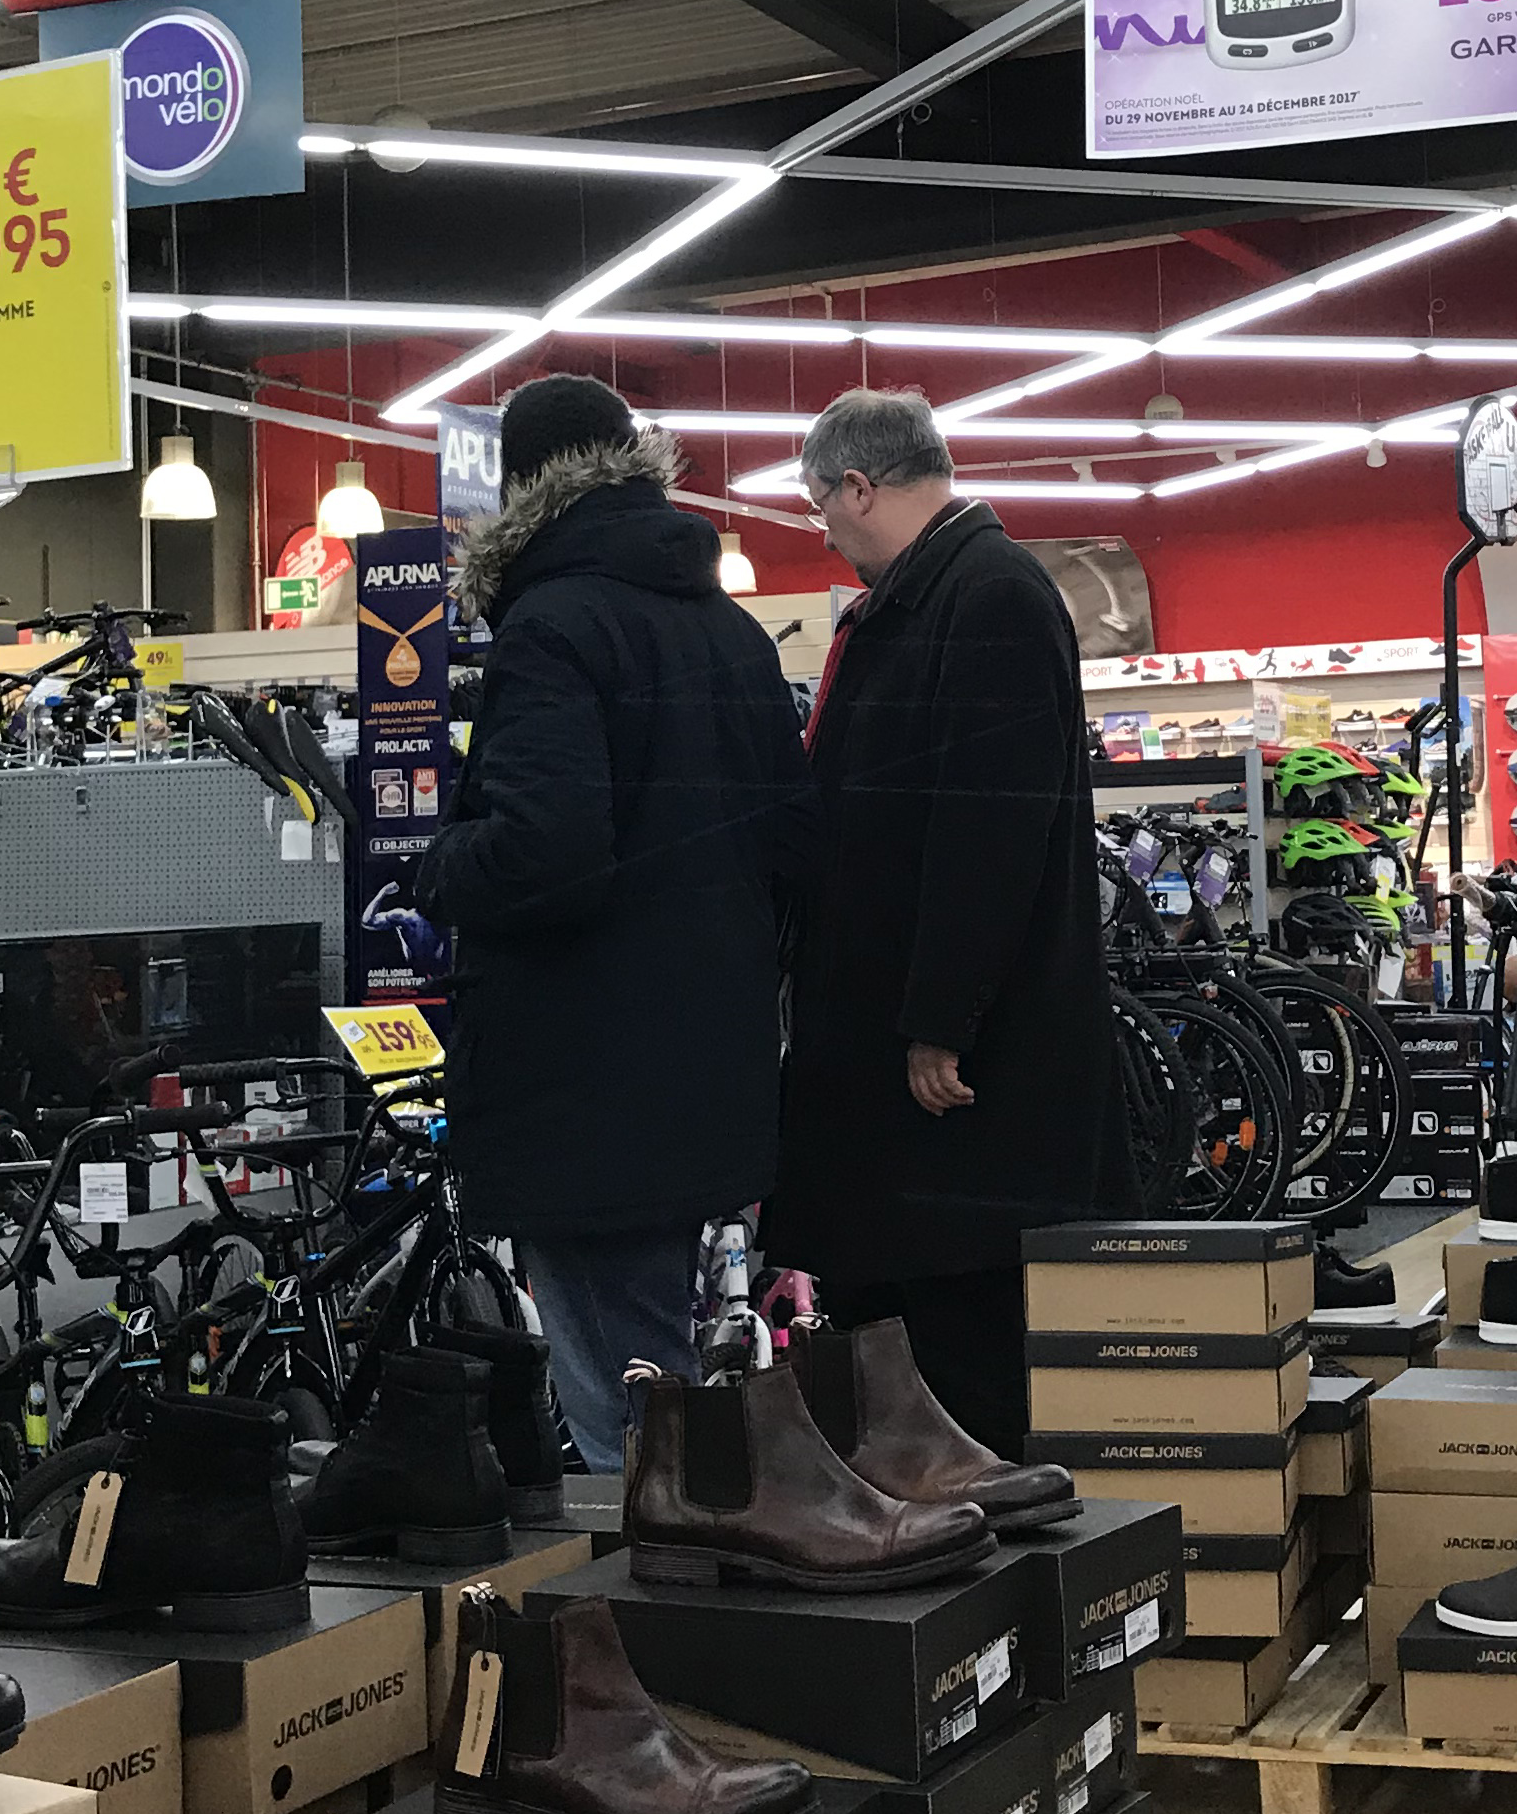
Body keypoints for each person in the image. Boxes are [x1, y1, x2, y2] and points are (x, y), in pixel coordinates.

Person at [414, 376, 813, 1467]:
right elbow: (792, 847)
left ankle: (667, 1574)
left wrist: (442, 866)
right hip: (714, 1072)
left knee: (626, 1420)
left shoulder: (552, 628)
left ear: (518, 489)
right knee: (681, 1381)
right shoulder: (730, 632)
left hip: (585, 1088)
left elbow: (547, 853)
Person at [768, 388, 1125, 1457]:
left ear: (858, 487)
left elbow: (989, 833)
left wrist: (941, 1018)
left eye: (818, 507)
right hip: (901, 1056)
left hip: (958, 1078)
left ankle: (983, 1524)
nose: (823, 531)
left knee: (964, 1345)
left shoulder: (988, 597)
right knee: (907, 1327)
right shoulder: (937, 596)